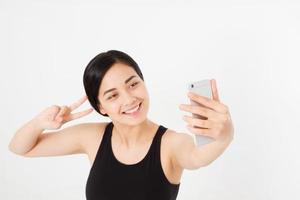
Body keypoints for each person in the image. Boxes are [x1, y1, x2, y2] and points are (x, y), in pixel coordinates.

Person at [8, 50, 234, 200]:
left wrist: (224, 135)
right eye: (112, 95)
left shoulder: (172, 144)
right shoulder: (92, 137)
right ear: (101, 106)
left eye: (133, 84)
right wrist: (40, 123)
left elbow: (198, 157)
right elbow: (21, 147)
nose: (129, 99)